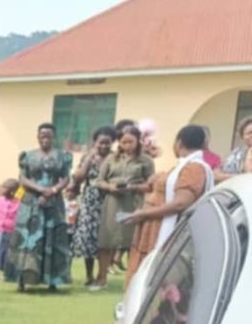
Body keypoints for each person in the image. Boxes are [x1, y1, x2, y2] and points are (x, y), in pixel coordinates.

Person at [125, 125, 214, 286]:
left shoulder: (194, 168)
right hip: (153, 228)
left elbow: (181, 203)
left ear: (179, 143)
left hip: (163, 232)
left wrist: (144, 214)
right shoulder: (184, 166)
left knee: (155, 279)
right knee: (144, 276)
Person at [4, 123, 73, 292]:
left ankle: (53, 280)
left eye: (49, 136)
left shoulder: (63, 156)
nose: (45, 139)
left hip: (54, 203)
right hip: (31, 203)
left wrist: (53, 190)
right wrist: (41, 190)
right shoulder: (27, 156)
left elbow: (65, 178)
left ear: (54, 137)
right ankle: (22, 279)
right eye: (42, 136)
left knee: (54, 239)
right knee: (27, 241)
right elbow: (23, 178)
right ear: (37, 137)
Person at [90, 124, 155, 290]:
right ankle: (101, 278)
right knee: (106, 241)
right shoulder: (111, 159)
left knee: (133, 242)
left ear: (138, 141)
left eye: (130, 142)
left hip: (134, 203)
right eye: (123, 142)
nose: (127, 146)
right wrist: (110, 187)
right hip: (112, 203)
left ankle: (133, 280)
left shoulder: (146, 160)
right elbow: (99, 180)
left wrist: (133, 187)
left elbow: (151, 184)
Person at [70, 126, 116, 285]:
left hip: (109, 201)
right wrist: (88, 160)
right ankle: (89, 275)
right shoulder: (88, 157)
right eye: (100, 143)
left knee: (105, 239)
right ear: (94, 142)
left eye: (107, 143)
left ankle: (102, 275)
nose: (104, 146)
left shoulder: (116, 158)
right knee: (88, 239)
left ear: (112, 143)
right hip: (90, 201)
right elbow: (79, 177)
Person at [217, 116, 252, 182]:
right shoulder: (236, 153)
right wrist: (240, 177)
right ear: (242, 137)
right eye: (249, 133)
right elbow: (218, 174)